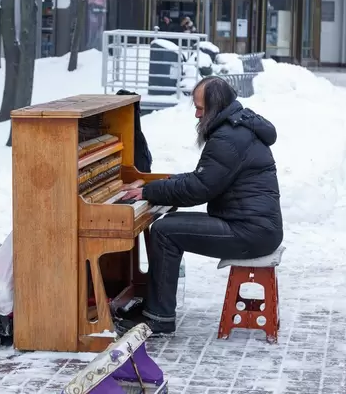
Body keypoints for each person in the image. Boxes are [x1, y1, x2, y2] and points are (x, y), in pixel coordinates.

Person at [118, 76, 283, 336]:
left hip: (249, 232)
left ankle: (158, 317)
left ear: (216, 108)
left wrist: (148, 190)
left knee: (164, 232)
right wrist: (163, 183)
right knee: (167, 228)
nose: (196, 115)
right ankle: (155, 306)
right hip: (256, 227)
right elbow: (204, 177)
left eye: (200, 109)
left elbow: (199, 189)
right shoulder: (237, 128)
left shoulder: (228, 138)